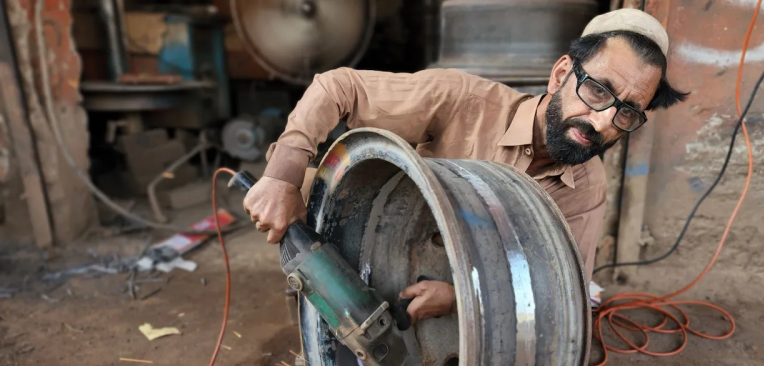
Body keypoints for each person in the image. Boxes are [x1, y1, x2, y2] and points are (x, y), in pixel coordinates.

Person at [243, 8, 686, 325]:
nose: (603, 122)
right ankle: (318, 313)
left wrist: (460, 299)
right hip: (384, 236)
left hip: (465, 286)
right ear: (560, 75)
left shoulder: (586, 187)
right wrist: (281, 175)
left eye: (627, 112)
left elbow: (563, 289)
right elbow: (338, 88)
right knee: (309, 189)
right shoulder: (462, 100)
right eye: (598, 91)